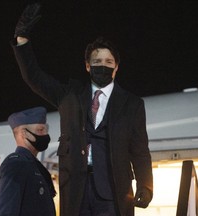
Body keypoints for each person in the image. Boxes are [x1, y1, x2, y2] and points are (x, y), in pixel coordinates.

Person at [10, 3, 153, 216]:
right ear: (87, 65)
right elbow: (34, 77)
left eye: (107, 61)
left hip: (114, 194)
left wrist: (146, 185)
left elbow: (140, 150)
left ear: (116, 66)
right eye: (96, 61)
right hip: (77, 192)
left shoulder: (132, 104)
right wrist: (21, 39)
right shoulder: (69, 95)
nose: (102, 65)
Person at [0, 107, 56, 216]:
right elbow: (7, 211)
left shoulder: (35, 166)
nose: (46, 135)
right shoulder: (16, 164)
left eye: (46, 129)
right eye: (40, 130)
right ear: (24, 134)